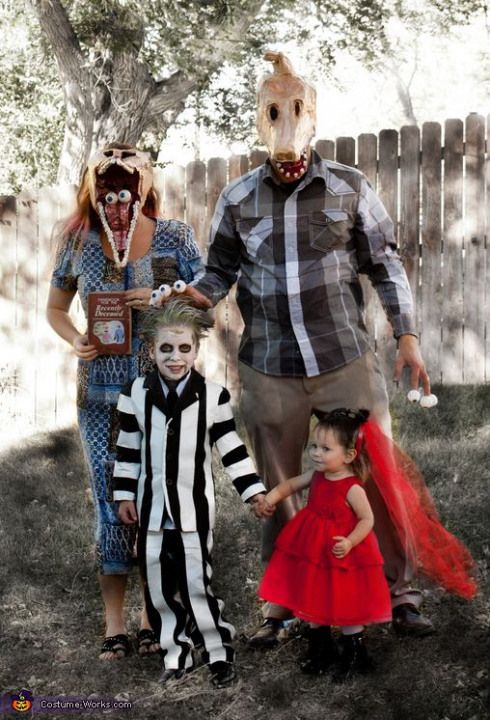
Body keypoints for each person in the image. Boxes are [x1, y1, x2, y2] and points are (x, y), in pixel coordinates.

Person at [184, 50, 437, 644]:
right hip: (269, 364)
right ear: (260, 117)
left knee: (371, 475)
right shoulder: (237, 198)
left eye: (295, 109)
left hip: (343, 356)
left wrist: (406, 336)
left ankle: (399, 593)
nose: (285, 120)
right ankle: (286, 602)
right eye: (272, 110)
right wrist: (195, 297)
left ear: (313, 115)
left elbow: (384, 263)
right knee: (279, 488)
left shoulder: (351, 186)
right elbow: (218, 270)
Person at [46, 144, 204, 660]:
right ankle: (114, 621)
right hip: (100, 394)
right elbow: (56, 308)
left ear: (145, 185)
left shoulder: (175, 236)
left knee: (159, 498)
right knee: (110, 499)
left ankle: (151, 615)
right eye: (107, 187)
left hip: (164, 391)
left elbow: (208, 300)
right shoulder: (78, 241)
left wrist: (162, 296)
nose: (117, 199)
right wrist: (76, 338)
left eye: (127, 185)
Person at [255, 409, 477, 681]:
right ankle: (320, 646)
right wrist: (270, 498)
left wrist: (350, 541)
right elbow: (289, 485)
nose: (316, 453)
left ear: (349, 455)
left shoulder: (352, 487)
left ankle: (354, 650)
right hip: (314, 547)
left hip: (344, 552)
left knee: (346, 600)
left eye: (325, 448)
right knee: (313, 592)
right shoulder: (317, 476)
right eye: (314, 446)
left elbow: (366, 519)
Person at [113, 300, 267, 687]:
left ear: (196, 350)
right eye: (166, 348)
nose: (175, 357)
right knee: (159, 589)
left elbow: (232, 450)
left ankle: (217, 651)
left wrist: (253, 492)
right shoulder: (135, 393)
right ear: (151, 350)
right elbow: (127, 450)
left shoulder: (213, 396)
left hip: (192, 513)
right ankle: (175, 653)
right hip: (151, 512)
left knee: (196, 584)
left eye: (184, 348)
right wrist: (125, 495)